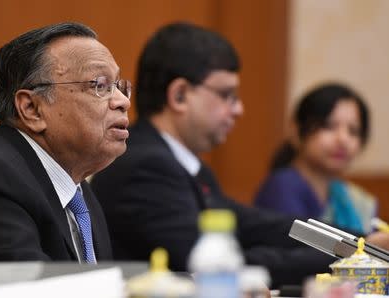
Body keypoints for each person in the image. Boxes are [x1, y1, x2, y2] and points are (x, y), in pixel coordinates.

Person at [90, 22, 344, 287]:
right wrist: (348, 259)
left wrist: (355, 243)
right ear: (179, 96)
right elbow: (217, 267)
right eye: (226, 95)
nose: (239, 109)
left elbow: (255, 225)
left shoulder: (188, 165)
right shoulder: (144, 166)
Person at [0, 22, 131, 263]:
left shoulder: (79, 192)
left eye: (120, 86)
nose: (123, 101)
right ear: (32, 109)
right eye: (99, 86)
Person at [254, 83, 377, 234]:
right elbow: (299, 252)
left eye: (353, 131)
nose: (343, 139)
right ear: (296, 130)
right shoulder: (282, 188)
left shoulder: (355, 201)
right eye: (329, 126)